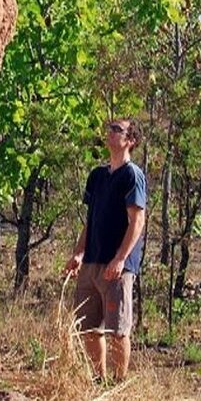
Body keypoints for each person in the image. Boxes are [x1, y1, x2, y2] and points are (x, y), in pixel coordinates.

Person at [63, 117, 147, 383]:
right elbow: (91, 220)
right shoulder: (97, 175)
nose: (110, 133)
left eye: (117, 130)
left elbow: (137, 221)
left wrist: (121, 259)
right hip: (92, 261)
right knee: (88, 327)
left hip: (117, 266)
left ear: (130, 141)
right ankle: (99, 380)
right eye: (109, 128)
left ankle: (119, 382)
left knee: (118, 330)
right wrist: (79, 253)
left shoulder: (132, 175)